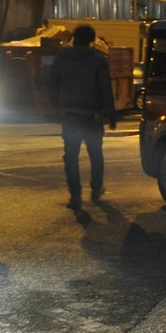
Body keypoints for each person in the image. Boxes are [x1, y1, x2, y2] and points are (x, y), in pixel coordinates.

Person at [46, 24, 117, 211]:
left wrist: (57, 105)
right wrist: (111, 114)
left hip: (70, 116)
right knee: (95, 155)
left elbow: (52, 84)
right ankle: (96, 189)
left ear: (74, 39)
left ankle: (75, 195)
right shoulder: (98, 61)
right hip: (92, 117)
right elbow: (105, 90)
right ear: (92, 40)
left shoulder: (62, 59)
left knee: (71, 157)